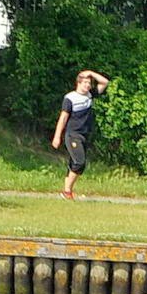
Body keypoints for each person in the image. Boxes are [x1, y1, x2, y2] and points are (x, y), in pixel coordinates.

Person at [51, 69, 109, 199]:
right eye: (85, 82)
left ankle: (67, 192)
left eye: (89, 83)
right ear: (78, 83)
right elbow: (63, 118)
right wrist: (57, 136)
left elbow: (105, 82)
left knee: (75, 164)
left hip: (85, 134)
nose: (88, 85)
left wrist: (91, 73)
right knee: (79, 162)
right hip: (73, 134)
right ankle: (67, 192)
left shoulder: (90, 95)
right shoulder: (70, 98)